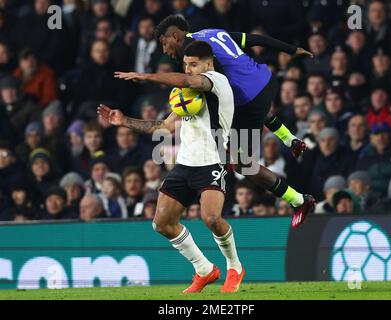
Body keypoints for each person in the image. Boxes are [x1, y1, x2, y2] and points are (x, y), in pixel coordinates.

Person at [116, 15, 316, 228]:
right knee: (245, 114)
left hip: (248, 98)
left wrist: (146, 77)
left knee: (242, 163)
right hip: (265, 80)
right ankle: (291, 139)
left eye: (165, 44)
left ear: (175, 36)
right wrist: (291, 49)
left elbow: (192, 81)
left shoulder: (192, 51)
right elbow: (254, 39)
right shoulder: (209, 32)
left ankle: (299, 200)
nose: (165, 51)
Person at [98, 40, 244, 293]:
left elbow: (190, 82)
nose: (188, 70)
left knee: (211, 218)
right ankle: (204, 269)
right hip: (185, 164)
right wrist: (124, 121)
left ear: (208, 63)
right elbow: (164, 127)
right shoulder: (187, 95)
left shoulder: (217, 81)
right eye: (186, 64)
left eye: (194, 64)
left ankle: (234, 266)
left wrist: (146, 76)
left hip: (213, 159)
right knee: (162, 223)